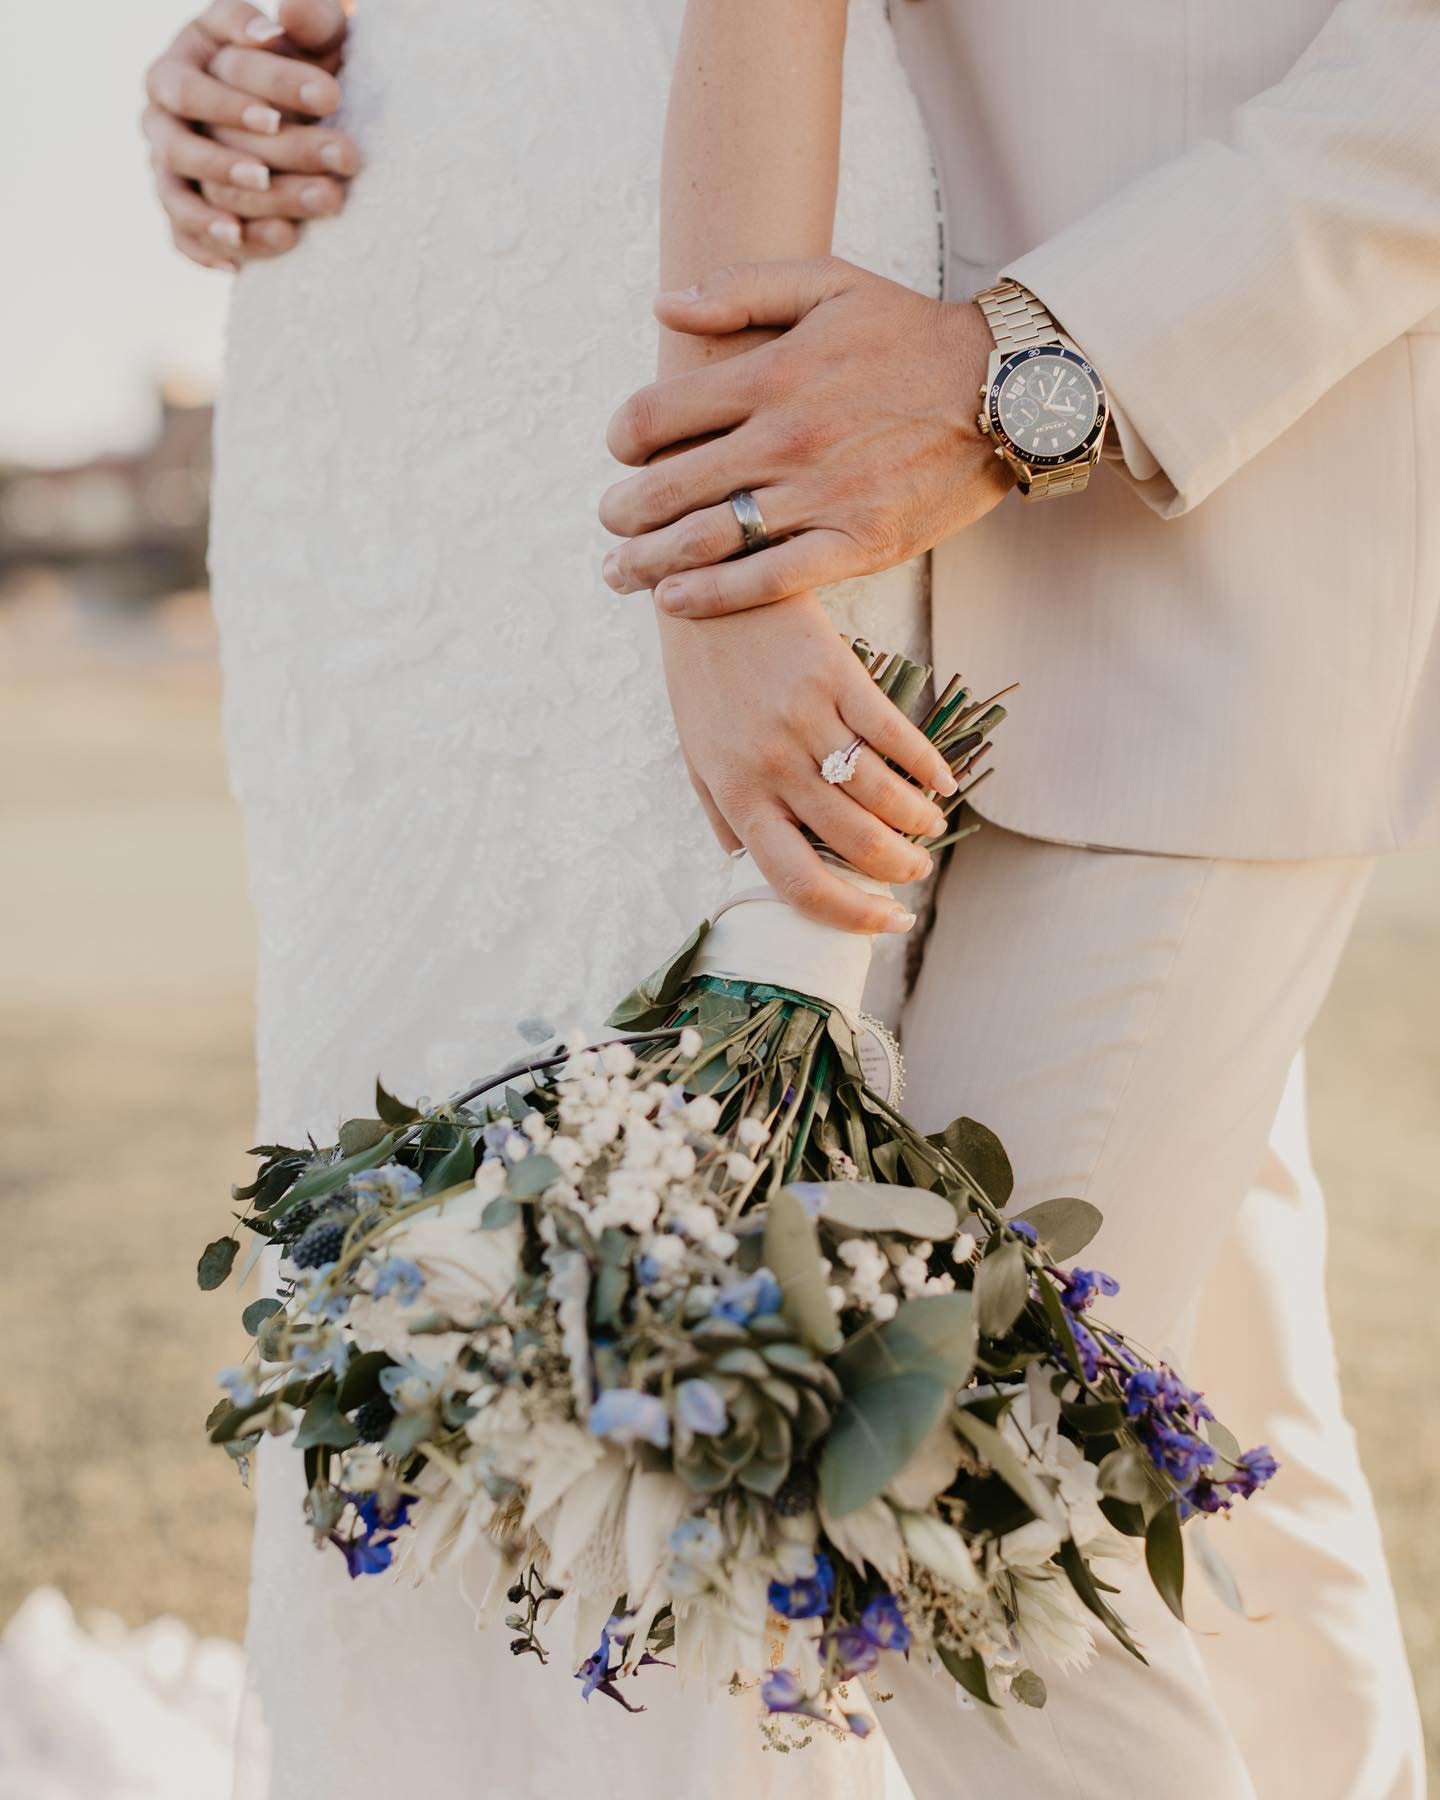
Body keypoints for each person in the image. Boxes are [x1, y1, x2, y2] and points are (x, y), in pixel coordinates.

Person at [142, 1, 1430, 1794]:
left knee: (931, 1469)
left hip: (1170, 539)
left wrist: (1024, 375)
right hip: (697, 434)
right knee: (1229, 1480)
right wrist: (256, 71)